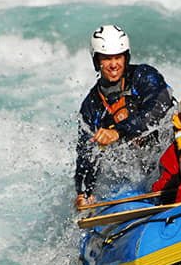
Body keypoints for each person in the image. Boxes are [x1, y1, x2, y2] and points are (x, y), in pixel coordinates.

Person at [75, 24, 174, 207]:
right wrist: (83, 192)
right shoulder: (91, 106)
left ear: (126, 57)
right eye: (106, 58)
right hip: (135, 171)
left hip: (167, 154)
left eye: (118, 57)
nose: (114, 65)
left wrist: (119, 132)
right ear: (97, 61)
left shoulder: (144, 76)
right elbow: (85, 154)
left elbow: (159, 107)